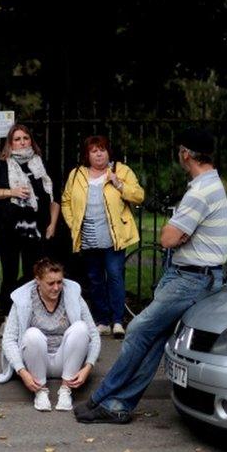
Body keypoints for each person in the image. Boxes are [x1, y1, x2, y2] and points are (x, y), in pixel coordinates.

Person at [74, 128, 227, 424]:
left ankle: (101, 397)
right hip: (192, 275)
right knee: (154, 338)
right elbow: (176, 235)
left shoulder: (200, 192)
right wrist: (178, 232)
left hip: (192, 279)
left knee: (138, 330)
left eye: (179, 151)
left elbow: (168, 238)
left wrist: (175, 230)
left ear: (186, 154)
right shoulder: (208, 184)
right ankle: (118, 406)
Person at [61, 135, 144, 338]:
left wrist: (119, 185)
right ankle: (102, 321)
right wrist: (74, 224)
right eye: (93, 151)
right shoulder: (77, 174)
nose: (99, 154)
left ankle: (117, 321)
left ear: (109, 152)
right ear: (87, 155)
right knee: (95, 279)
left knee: (115, 276)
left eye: (102, 150)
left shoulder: (121, 170)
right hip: (88, 236)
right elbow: (66, 201)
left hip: (114, 236)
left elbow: (139, 195)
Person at [0, 258, 100, 412]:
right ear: (38, 280)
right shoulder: (23, 300)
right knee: (32, 334)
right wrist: (22, 372)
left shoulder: (72, 295)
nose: (56, 288)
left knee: (81, 328)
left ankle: (66, 390)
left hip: (65, 360)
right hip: (35, 362)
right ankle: (40, 391)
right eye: (50, 283)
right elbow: (9, 339)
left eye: (59, 282)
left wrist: (88, 367)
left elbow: (94, 335)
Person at [0, 124, 61, 311]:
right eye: (17, 139)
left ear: (31, 141)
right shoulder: (1, 165)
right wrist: (12, 191)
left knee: (33, 273)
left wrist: (52, 224)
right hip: (8, 228)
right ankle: (9, 316)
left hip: (36, 228)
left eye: (25, 138)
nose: (22, 142)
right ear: (10, 144)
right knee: (9, 274)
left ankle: (31, 313)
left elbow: (54, 197)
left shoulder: (41, 164)